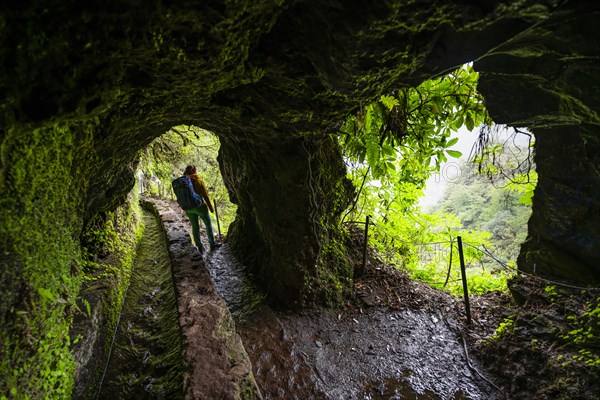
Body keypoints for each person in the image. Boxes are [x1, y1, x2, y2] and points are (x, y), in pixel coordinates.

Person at [183, 165, 222, 251]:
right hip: (200, 207)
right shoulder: (198, 181)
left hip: (188, 208)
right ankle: (212, 243)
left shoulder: (183, 182)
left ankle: (199, 247)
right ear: (194, 171)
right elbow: (205, 195)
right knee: (208, 224)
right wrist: (211, 208)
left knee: (195, 226)